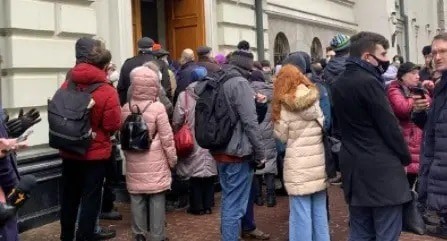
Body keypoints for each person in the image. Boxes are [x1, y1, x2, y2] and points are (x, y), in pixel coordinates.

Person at [331, 31, 411, 241]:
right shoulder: (369, 82)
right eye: (383, 54)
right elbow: (389, 125)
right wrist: (405, 156)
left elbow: (337, 127)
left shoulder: (338, 83)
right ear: (368, 57)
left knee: (359, 231)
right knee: (386, 232)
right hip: (381, 170)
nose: (386, 59)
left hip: (354, 168)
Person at [194, 42, 266, 241]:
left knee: (228, 200)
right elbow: (250, 122)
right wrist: (260, 154)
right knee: (234, 205)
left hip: (219, 148)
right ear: (246, 68)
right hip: (236, 152)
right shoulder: (239, 83)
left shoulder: (218, 78)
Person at [59, 37, 121, 241]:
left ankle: (66, 236)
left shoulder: (68, 83)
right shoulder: (107, 90)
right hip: (94, 154)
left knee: (69, 197)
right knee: (90, 198)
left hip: (69, 148)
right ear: (103, 66)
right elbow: (112, 124)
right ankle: (85, 235)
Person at [273, 64, 329, 241]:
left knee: (300, 214)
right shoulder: (314, 98)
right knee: (319, 212)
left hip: (297, 164)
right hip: (318, 162)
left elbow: (281, 137)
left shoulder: (284, 105)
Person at [121, 66, 177, 241]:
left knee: (136, 197)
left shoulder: (126, 107)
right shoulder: (158, 107)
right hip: (156, 159)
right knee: (156, 197)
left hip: (133, 158)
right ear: (154, 86)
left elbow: (121, 133)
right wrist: (173, 160)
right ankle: (157, 235)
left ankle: (139, 234)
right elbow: (167, 138)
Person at [413, 32, 447, 238]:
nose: (437, 57)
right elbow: (434, 130)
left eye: (443, 51)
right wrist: (419, 113)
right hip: (438, 177)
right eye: (434, 52)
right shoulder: (442, 86)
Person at [172, 67, 217, 216]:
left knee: (194, 174)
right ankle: (208, 204)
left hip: (192, 138)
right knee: (209, 171)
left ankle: (197, 206)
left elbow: (177, 119)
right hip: (210, 138)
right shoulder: (214, 93)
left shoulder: (184, 96)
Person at [387, 62, 430, 188]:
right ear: (402, 76)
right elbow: (402, 108)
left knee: (418, 181)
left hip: (418, 139)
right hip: (406, 140)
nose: (417, 77)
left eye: (418, 73)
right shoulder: (393, 89)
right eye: (413, 74)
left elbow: (429, 103)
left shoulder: (416, 89)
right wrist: (418, 97)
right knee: (406, 182)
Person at [249, 70, 277, 209]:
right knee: (270, 162)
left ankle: (258, 197)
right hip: (269, 130)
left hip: (255, 131)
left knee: (257, 163)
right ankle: (271, 197)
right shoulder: (272, 91)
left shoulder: (248, 92)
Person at [117, 37, 171, 106]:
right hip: (154, 107)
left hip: (132, 108)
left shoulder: (128, 63)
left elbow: (121, 89)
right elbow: (166, 88)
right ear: (152, 48)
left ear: (138, 48)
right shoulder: (160, 64)